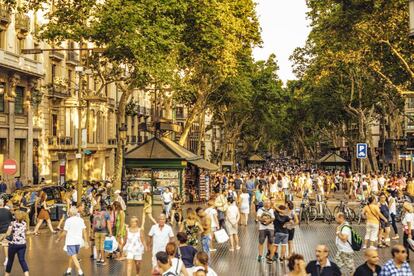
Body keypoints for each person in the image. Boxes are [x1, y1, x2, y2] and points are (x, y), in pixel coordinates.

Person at [56, 206, 89, 276]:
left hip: (70, 241)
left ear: (70, 213)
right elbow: (84, 231)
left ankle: (80, 272)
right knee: (72, 256)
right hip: (78, 241)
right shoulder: (80, 220)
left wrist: (59, 239)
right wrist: (86, 241)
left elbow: (64, 232)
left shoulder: (68, 221)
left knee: (73, 256)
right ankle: (69, 270)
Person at [4, 210, 29, 276]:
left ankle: (6, 275)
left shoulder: (12, 223)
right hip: (23, 244)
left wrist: (5, 236)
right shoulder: (24, 223)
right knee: (22, 260)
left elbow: (8, 233)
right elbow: (25, 232)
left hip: (13, 245)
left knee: (10, 261)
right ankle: (27, 274)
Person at [0, 198, 12, 266]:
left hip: (1, 231)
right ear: (2, 204)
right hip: (7, 231)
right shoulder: (8, 211)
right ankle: (7, 259)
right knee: (5, 245)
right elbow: (11, 220)